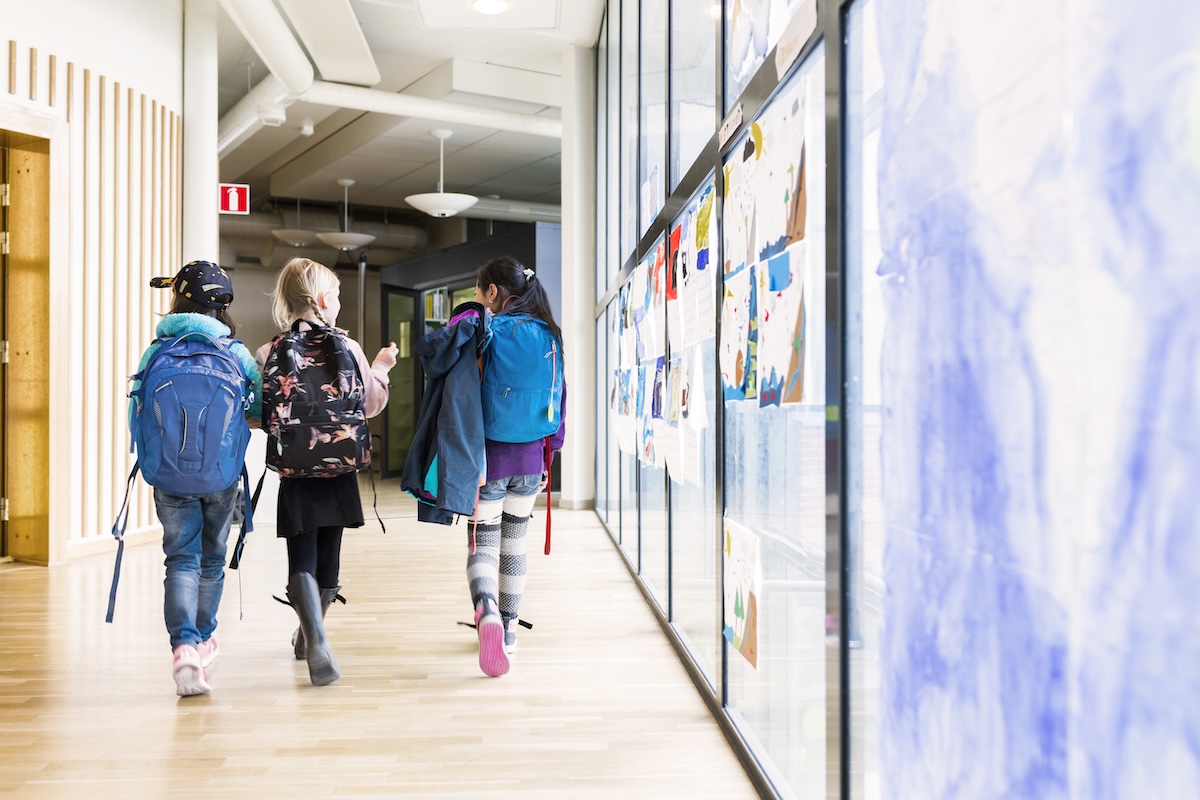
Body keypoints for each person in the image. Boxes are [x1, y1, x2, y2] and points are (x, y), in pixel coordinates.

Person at [256, 257, 398, 686]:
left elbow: (260, 416)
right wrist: (382, 368)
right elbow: (369, 405)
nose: (337, 302)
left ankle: (309, 634)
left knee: (301, 558)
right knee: (328, 562)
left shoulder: (270, 351)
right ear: (321, 300)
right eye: (335, 295)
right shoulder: (349, 349)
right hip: (338, 468)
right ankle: (313, 634)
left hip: (295, 471)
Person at [133, 260, 262, 696]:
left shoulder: (157, 350)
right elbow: (259, 407)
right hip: (221, 475)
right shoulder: (236, 352)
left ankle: (184, 646)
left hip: (168, 475)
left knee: (180, 559)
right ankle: (204, 640)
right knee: (211, 559)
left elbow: (137, 412)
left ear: (178, 300)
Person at [467, 256, 567, 677]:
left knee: (483, 543)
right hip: (530, 458)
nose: (476, 297)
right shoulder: (551, 335)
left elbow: (465, 396)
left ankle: (486, 609)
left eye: (479, 289)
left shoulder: (488, 332)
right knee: (515, 544)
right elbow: (561, 401)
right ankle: (509, 629)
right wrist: (550, 455)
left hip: (489, 458)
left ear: (494, 293)